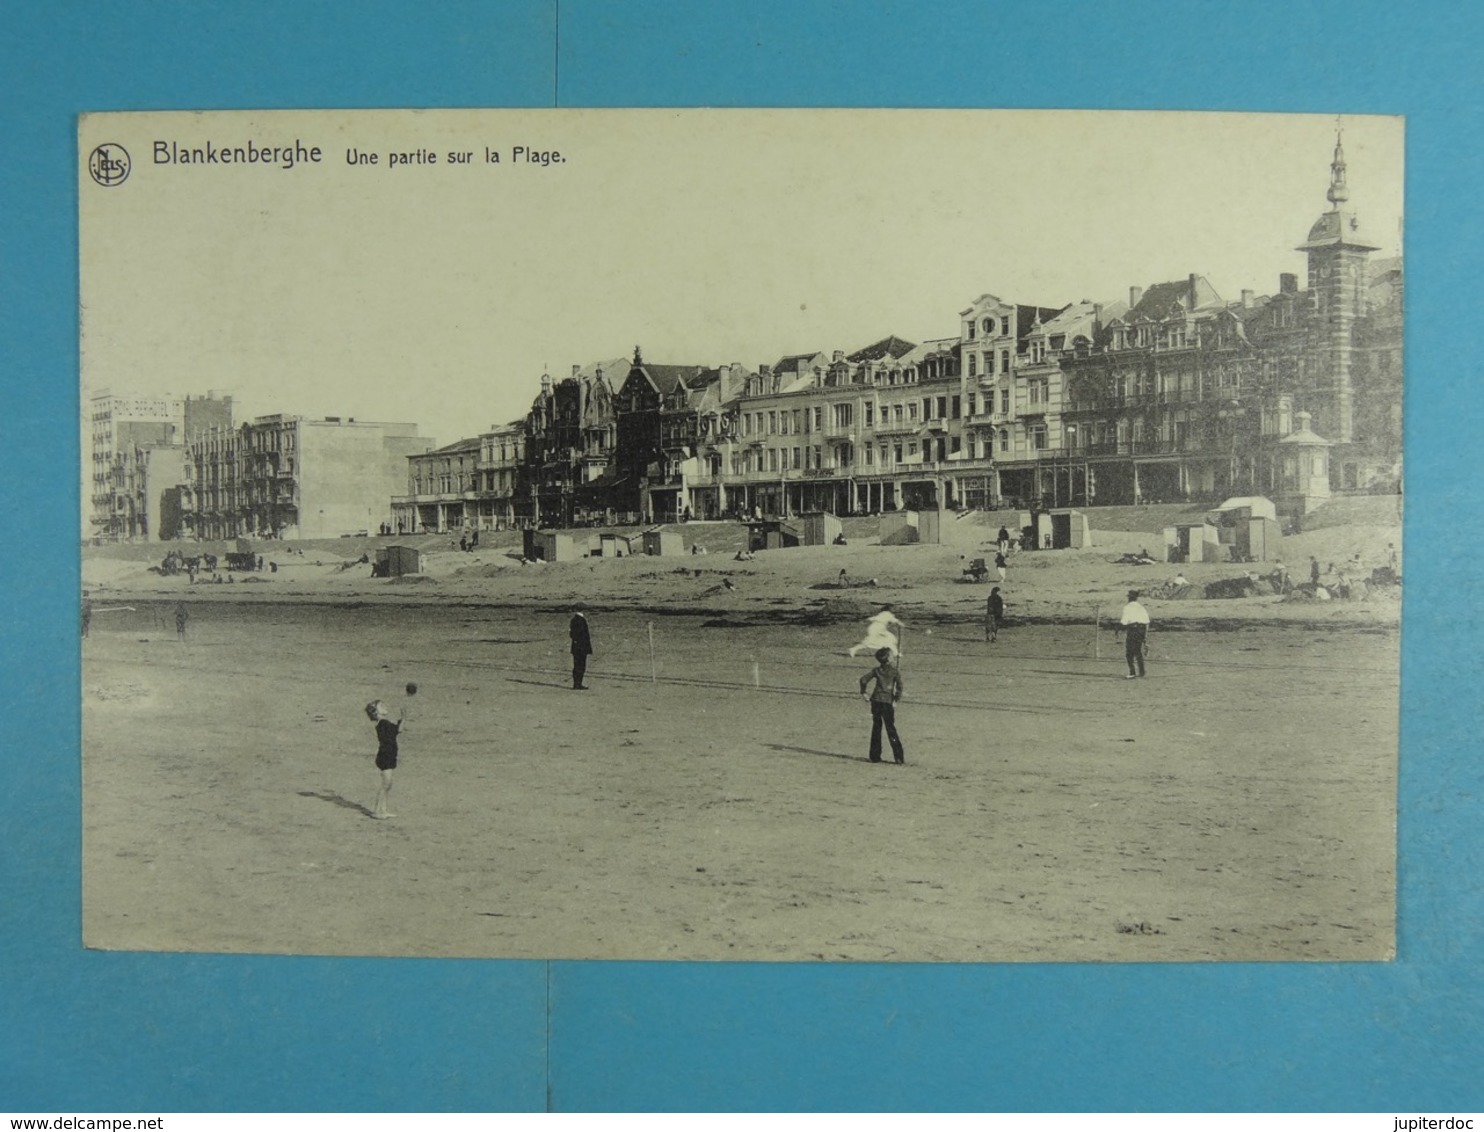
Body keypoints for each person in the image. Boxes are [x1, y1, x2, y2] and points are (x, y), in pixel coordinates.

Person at [858, 647, 905, 764]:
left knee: (876, 727)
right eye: (891, 655)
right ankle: (898, 757)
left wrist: (864, 693)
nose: (894, 657)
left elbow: (863, 680)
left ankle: (875, 756)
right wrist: (896, 700)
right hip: (887, 702)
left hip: (876, 701)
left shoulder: (877, 670)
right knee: (891, 729)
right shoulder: (894, 671)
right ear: (889, 659)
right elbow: (899, 687)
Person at [366, 699, 404, 819]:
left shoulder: (384, 723)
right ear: (376, 712)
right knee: (385, 784)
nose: (384, 706)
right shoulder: (383, 724)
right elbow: (399, 729)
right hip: (386, 756)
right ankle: (377, 811)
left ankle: (383, 810)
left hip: (389, 755)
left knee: (388, 784)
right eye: (381, 706)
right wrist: (404, 717)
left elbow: (398, 729)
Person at [1119, 590, 1150, 678]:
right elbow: (1147, 622)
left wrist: (1118, 628)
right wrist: (1145, 637)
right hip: (1142, 629)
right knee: (1138, 651)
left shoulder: (1127, 607)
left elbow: (1124, 622)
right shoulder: (1141, 607)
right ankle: (1142, 671)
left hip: (1133, 629)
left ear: (1129, 597)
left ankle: (1132, 672)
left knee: (1129, 652)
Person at [569, 605, 593, 690]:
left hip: (576, 647)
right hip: (581, 647)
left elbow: (572, 634)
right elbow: (583, 635)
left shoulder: (574, 620)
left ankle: (577, 683)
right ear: (583, 610)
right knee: (581, 666)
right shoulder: (581, 620)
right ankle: (578, 684)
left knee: (577, 665)